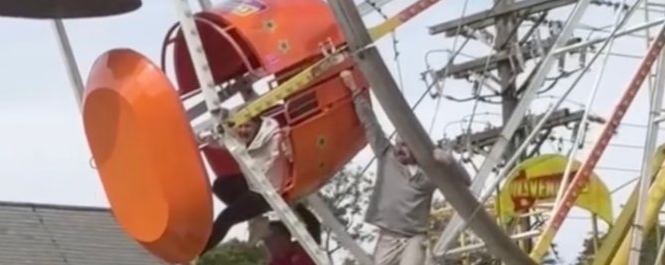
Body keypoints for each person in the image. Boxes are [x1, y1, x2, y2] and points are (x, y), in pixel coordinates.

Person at [340, 71, 471, 265]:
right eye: (397, 144)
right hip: (388, 236)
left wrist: (450, 162)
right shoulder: (387, 156)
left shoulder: (430, 172)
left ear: (416, 146)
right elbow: (370, 123)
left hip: (414, 237)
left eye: (404, 145)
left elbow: (466, 181)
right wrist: (354, 89)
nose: (399, 149)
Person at [201, 115, 322, 255]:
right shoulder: (247, 137)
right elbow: (314, 227)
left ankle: (199, 252)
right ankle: (254, 216)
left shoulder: (271, 137)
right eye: (241, 127)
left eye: (267, 242)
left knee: (227, 217)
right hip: (257, 184)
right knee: (221, 185)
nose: (269, 247)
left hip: (264, 194)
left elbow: (314, 228)